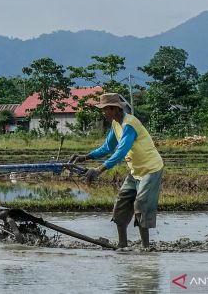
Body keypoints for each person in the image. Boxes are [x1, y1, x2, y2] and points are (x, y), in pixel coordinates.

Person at [69, 92, 164, 248]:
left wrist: (99, 170)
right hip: (135, 171)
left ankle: (146, 248)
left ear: (115, 109)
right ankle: (122, 245)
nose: (103, 113)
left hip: (151, 170)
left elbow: (120, 152)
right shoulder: (115, 123)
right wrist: (85, 157)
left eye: (105, 109)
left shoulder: (129, 124)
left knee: (141, 205)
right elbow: (108, 147)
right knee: (121, 204)